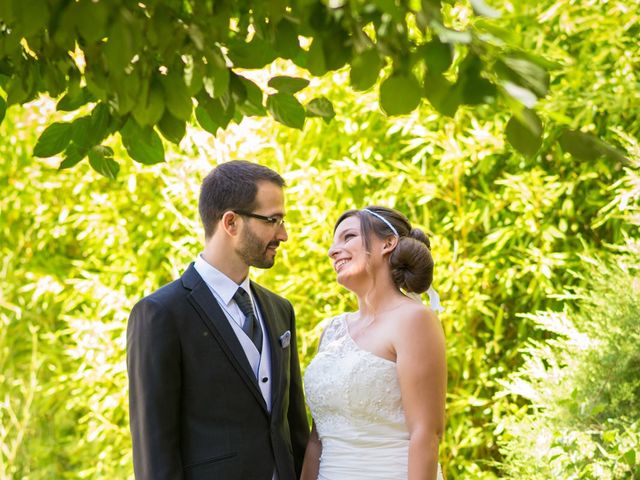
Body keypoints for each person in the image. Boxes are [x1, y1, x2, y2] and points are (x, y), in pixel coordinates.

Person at [127, 160, 309, 480]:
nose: (284, 234)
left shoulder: (281, 310)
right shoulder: (161, 313)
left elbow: (294, 429)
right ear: (230, 222)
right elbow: (154, 449)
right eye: (273, 220)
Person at [301, 206, 446, 480]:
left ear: (387, 244)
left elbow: (425, 434)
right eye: (333, 242)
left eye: (348, 237)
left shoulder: (414, 319)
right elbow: (316, 440)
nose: (333, 251)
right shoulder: (332, 331)